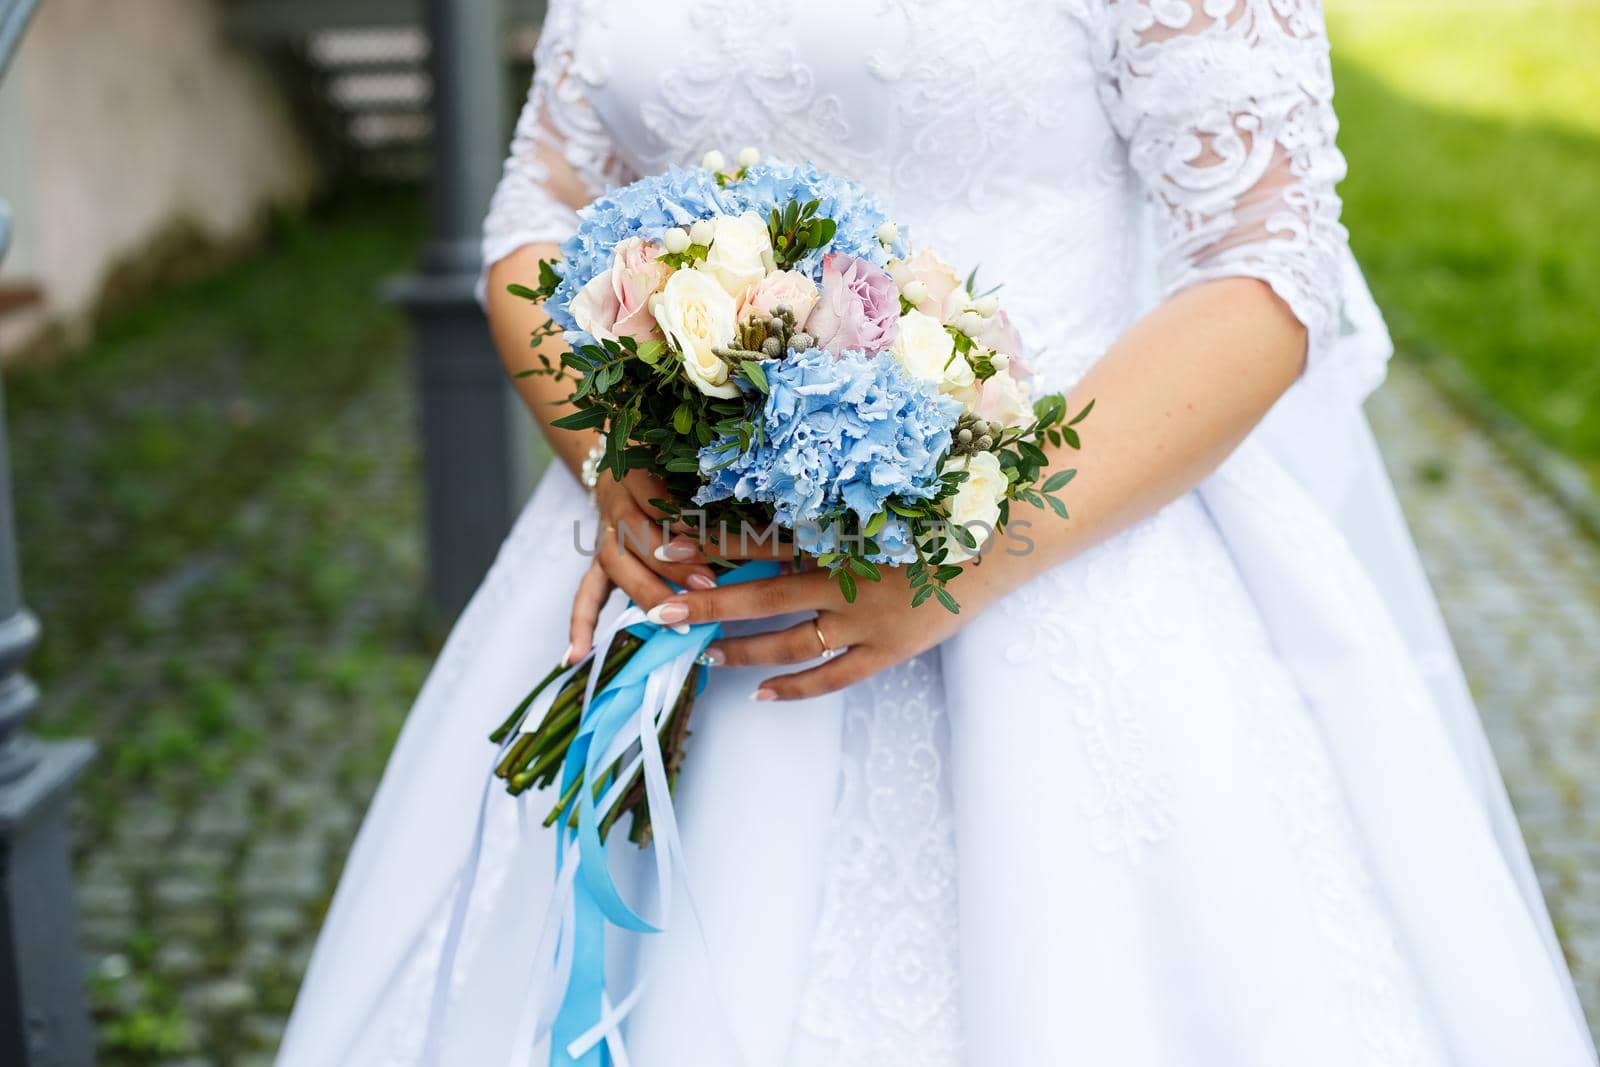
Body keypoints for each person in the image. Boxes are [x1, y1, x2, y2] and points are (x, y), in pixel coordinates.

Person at [277, 1, 1599, 1063]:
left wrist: (961, 559)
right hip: (685, 596)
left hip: (1062, 574)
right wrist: (613, 451)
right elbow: (535, 223)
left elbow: (1265, 267)